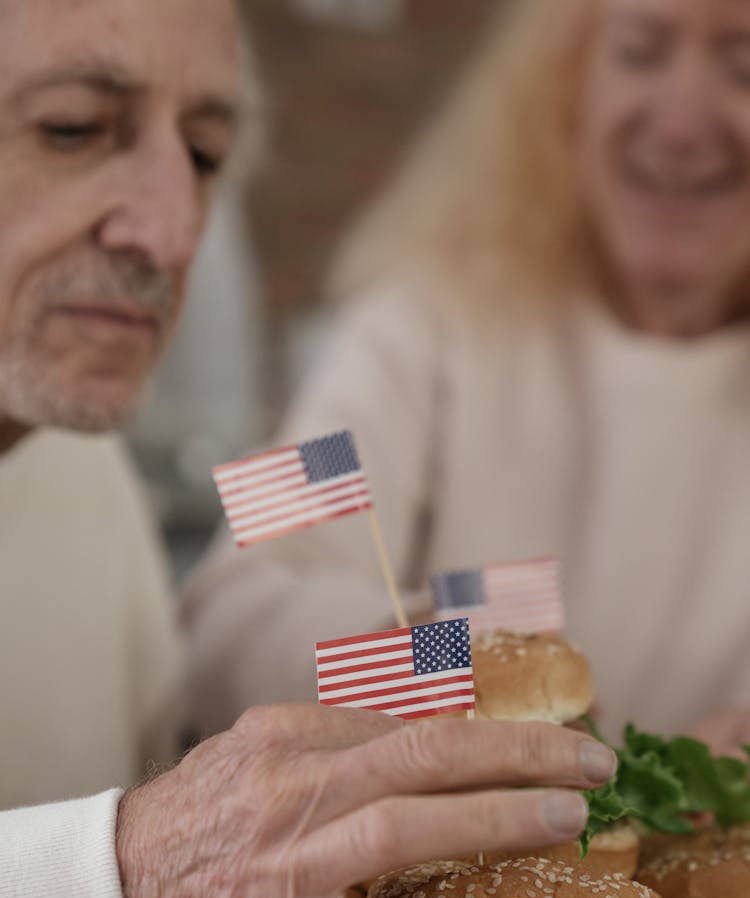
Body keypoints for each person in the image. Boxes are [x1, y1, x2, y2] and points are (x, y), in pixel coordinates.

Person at [0, 0, 614, 898]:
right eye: (71, 128)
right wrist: (119, 896)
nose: (173, 230)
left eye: (204, 155)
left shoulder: (85, 475)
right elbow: (239, 615)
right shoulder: (428, 318)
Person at [182, 0, 750, 756]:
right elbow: (230, 609)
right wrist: (429, 663)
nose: (683, 120)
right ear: (565, 91)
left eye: (744, 67)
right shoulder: (414, 327)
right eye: (640, 52)